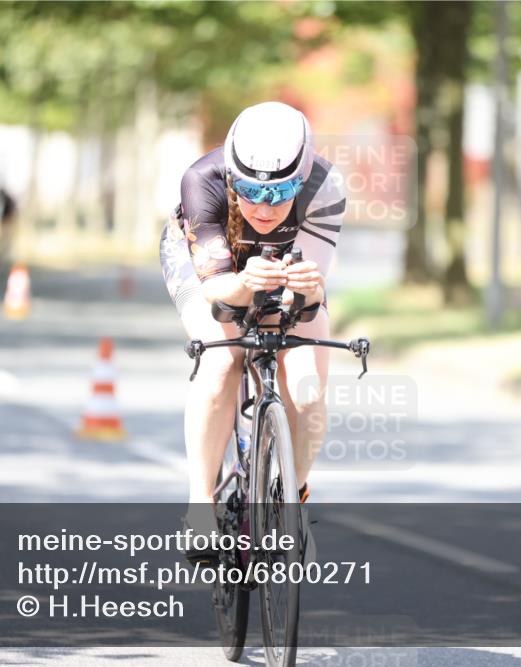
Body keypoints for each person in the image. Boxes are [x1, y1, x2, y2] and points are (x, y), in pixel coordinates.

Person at [159, 102, 345, 562]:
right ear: (230, 176)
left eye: (281, 193)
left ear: (301, 180)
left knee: (305, 388)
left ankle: (294, 498)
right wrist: (245, 283)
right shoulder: (201, 180)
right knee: (222, 358)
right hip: (210, 269)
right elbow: (219, 293)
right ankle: (200, 502)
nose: (263, 207)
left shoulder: (326, 185)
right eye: (247, 190)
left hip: (284, 269)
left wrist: (301, 292)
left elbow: (307, 296)